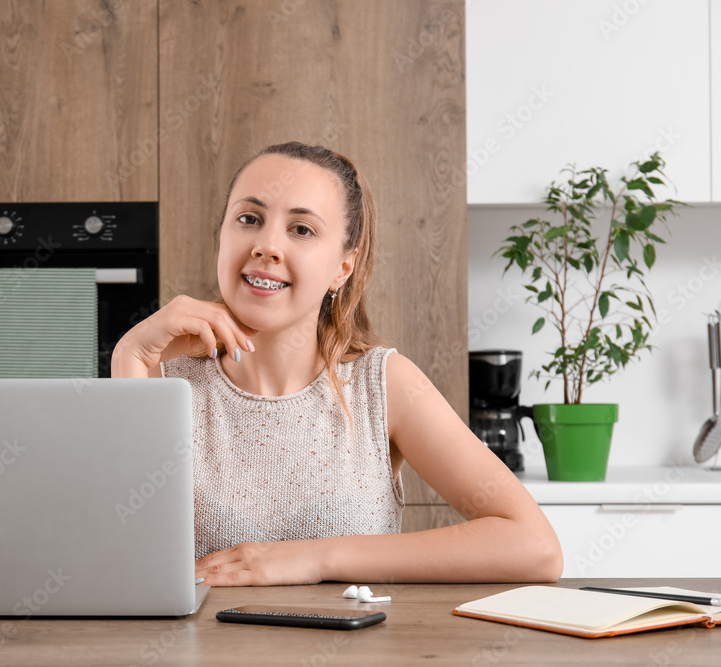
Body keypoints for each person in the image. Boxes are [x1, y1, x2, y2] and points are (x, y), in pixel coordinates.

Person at [111, 141, 562, 586]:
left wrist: (314, 558)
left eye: (302, 229)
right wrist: (129, 358)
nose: (266, 245)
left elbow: (534, 547)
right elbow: (120, 571)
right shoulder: (158, 381)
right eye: (249, 219)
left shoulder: (384, 385)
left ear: (342, 269)